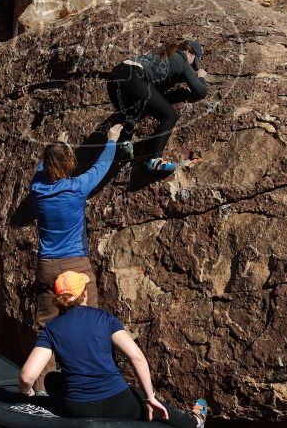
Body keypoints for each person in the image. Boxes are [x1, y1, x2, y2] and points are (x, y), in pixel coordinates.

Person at [19, 271, 209, 427]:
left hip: (77, 408)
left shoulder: (52, 328)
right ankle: (194, 421)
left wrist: (27, 394)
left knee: (52, 379)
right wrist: (150, 397)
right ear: (84, 294)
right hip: (118, 402)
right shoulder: (104, 318)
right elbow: (137, 358)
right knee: (146, 400)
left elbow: (27, 376)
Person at [30, 123, 122, 327]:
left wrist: (58, 146)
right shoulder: (77, 187)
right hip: (75, 263)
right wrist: (112, 140)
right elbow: (100, 168)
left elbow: (40, 170)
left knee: (47, 327)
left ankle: (46, 359)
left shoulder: (37, 189)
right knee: (89, 323)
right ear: (70, 163)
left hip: (47, 264)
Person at [108, 40, 208, 172]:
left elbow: (154, 95)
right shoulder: (182, 60)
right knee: (170, 116)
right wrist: (200, 77)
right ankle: (155, 160)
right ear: (189, 51)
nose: (192, 67)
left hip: (115, 79)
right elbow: (201, 92)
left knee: (136, 110)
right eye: (194, 62)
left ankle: (125, 143)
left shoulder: (163, 54)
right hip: (134, 78)